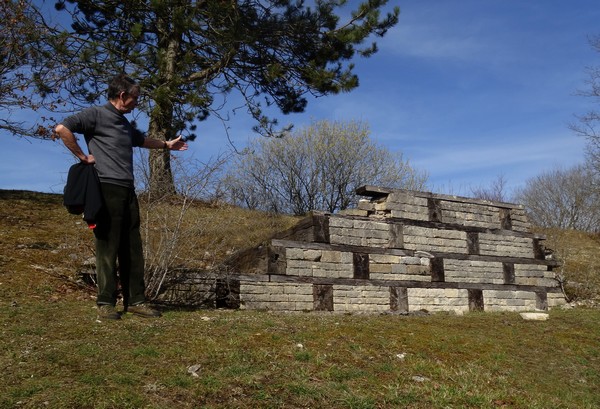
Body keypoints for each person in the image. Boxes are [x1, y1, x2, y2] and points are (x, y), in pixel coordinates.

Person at [54, 73, 188, 320]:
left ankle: (136, 300)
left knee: (132, 248)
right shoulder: (95, 114)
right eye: (135, 98)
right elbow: (62, 128)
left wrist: (167, 145)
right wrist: (83, 157)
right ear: (122, 95)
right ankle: (105, 302)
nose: (137, 103)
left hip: (128, 190)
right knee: (107, 246)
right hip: (105, 188)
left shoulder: (125, 124)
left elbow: (143, 140)